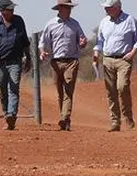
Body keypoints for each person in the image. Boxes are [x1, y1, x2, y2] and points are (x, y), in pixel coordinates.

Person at [94, 0, 137, 132]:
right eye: (105, 7)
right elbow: (99, 40)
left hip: (124, 59)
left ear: (117, 7)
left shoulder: (130, 20)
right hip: (107, 59)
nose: (106, 10)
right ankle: (115, 121)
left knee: (122, 87)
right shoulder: (104, 22)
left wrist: (133, 52)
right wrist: (96, 53)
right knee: (111, 91)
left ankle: (128, 116)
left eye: (109, 7)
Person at [39, 0, 87, 131]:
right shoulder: (50, 24)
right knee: (60, 93)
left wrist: (83, 43)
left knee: (68, 89)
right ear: (60, 8)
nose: (70, 10)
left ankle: (64, 117)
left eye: (70, 7)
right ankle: (65, 120)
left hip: (71, 61)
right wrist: (42, 52)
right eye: (67, 7)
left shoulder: (75, 24)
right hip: (56, 62)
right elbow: (42, 42)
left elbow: (82, 41)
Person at [0, 0, 31, 131]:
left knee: (14, 88)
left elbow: (25, 41)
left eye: (12, 9)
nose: (12, 11)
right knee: (2, 91)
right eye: (9, 9)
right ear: (2, 11)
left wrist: (28, 58)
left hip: (15, 61)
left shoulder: (19, 21)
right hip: (0, 62)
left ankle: (12, 115)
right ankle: (6, 115)